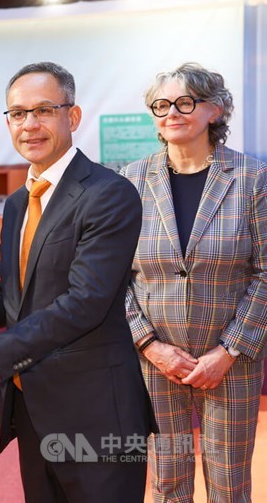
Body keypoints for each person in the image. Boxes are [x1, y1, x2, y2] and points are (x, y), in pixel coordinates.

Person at [0, 62, 157, 502]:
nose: (29, 125)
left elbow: (85, 303)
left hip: (96, 415)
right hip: (32, 409)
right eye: (17, 114)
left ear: (72, 117)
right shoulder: (19, 202)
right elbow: (12, 295)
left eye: (43, 110)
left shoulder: (109, 194)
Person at [120, 62, 266, 502]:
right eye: (160, 105)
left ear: (215, 111)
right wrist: (149, 345)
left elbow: (265, 272)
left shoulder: (252, 180)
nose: (171, 113)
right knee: (167, 484)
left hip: (231, 363)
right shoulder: (129, 181)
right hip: (156, 363)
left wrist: (229, 350)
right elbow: (115, 278)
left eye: (186, 102)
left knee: (228, 484)